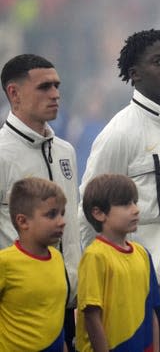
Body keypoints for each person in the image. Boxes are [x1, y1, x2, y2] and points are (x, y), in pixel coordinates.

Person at [79, 29, 160, 351]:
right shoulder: (118, 134)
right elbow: (87, 214)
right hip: (146, 297)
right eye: (159, 62)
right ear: (134, 75)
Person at [0, 54, 81, 350]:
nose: (56, 94)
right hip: (19, 310)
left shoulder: (66, 152)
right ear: (14, 93)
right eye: (45, 87)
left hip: (67, 304)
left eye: (57, 86)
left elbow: (74, 226)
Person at [76, 173, 160, 351]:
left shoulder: (143, 254)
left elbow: (151, 311)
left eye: (135, 202)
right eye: (125, 204)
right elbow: (92, 316)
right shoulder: (95, 256)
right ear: (98, 213)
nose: (135, 209)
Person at [0, 177, 68, 351]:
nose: (62, 221)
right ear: (23, 221)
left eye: (62, 213)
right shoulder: (5, 263)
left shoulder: (57, 257)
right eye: (52, 214)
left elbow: (53, 315)